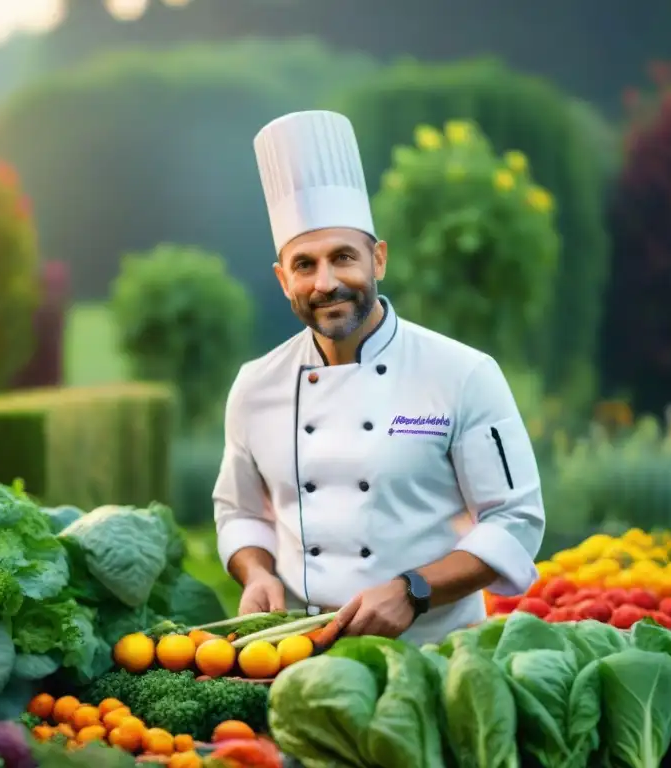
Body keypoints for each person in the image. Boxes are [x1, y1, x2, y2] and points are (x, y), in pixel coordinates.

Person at [212, 110, 545, 645]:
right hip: (299, 656)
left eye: (343, 257)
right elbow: (240, 512)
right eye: (304, 264)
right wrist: (257, 573)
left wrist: (414, 590)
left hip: (438, 656)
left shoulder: (463, 373)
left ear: (379, 259)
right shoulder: (255, 386)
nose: (326, 282)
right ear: (282, 279)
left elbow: (516, 520)